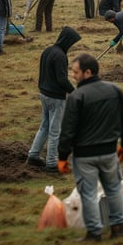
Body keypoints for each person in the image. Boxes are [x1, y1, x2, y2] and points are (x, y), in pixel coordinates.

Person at [58, 53, 123, 241]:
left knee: (89, 194)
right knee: (114, 189)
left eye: (76, 72)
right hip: (109, 152)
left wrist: (62, 156)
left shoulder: (76, 97)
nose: (73, 75)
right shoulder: (115, 90)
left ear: (88, 72)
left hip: (84, 156)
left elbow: (68, 130)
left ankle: (94, 232)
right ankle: (119, 228)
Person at [27, 27, 82, 172]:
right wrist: (73, 92)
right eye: (72, 43)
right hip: (55, 97)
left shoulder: (48, 50)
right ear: (67, 40)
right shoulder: (60, 56)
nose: (71, 46)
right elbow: (61, 80)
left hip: (44, 94)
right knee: (55, 130)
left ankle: (33, 155)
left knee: (44, 126)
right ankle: (51, 162)